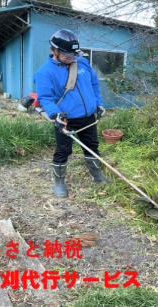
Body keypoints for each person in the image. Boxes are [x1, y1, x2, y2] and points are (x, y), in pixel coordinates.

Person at [33, 29, 112, 197]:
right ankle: (59, 183)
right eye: (67, 54)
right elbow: (45, 98)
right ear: (53, 50)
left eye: (73, 54)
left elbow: (94, 85)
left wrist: (98, 104)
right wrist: (56, 115)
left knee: (92, 147)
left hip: (88, 118)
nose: (71, 58)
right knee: (63, 150)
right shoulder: (44, 72)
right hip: (65, 119)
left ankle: (97, 175)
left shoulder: (82, 63)